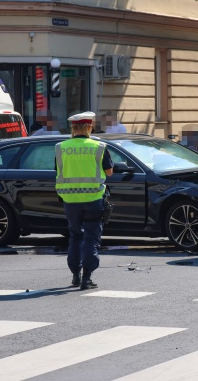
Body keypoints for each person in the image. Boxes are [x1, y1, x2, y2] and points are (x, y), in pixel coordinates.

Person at [55, 112, 113, 290]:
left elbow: (58, 170)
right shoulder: (99, 147)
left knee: (75, 236)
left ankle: (75, 275)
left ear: (73, 129)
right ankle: (87, 278)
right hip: (93, 198)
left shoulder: (60, 147)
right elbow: (109, 172)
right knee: (91, 238)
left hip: (70, 199)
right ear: (89, 128)